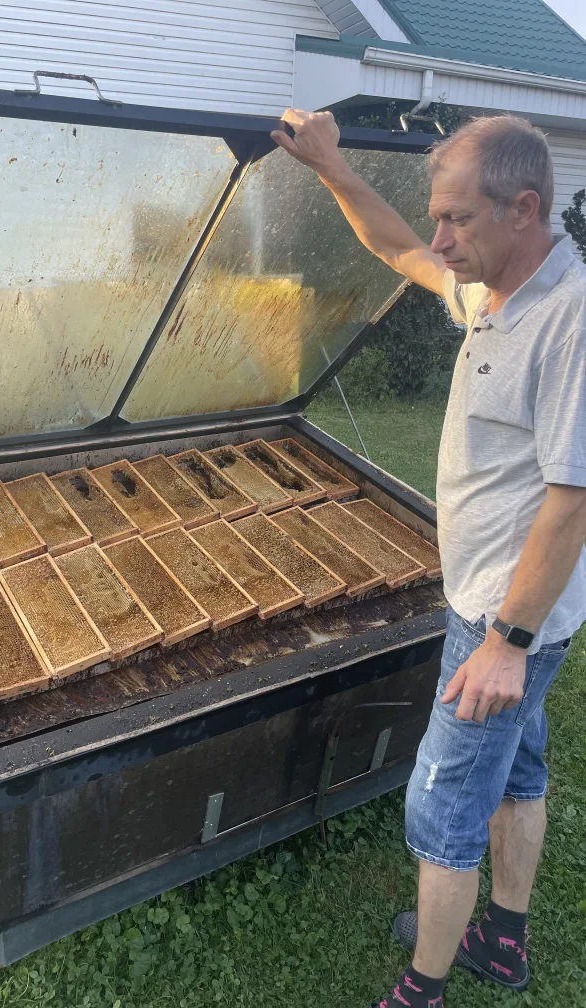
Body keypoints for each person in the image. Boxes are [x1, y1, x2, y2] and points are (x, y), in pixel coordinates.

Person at [271, 111, 586, 1007]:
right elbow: (398, 250)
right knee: (517, 770)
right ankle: (504, 939)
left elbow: (574, 503)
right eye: (440, 215)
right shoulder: (495, 292)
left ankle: (421, 990)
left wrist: (507, 643)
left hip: (505, 618)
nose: (441, 239)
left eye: (460, 220)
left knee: (443, 807)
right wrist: (332, 168)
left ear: (523, 209)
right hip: (506, 612)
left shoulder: (569, 322)